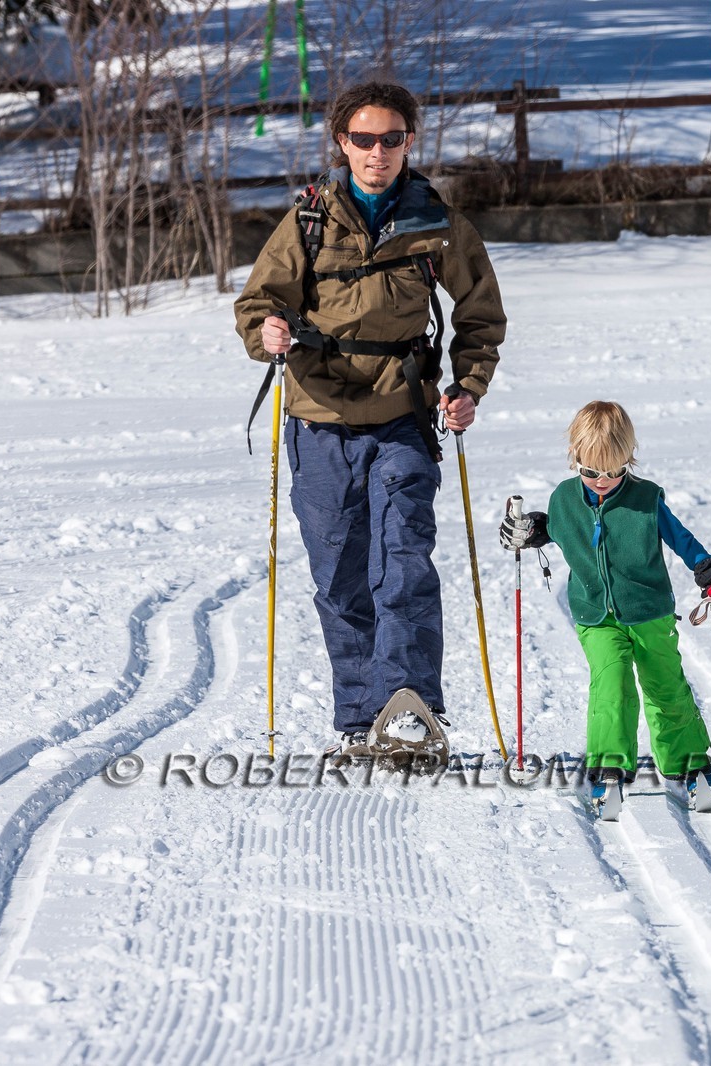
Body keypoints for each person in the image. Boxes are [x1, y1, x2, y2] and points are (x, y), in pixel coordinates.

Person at [233, 81, 507, 754]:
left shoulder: (435, 222)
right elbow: (257, 303)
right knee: (340, 575)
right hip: (318, 420)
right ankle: (360, 717)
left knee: (404, 560)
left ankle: (410, 708)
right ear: (341, 144)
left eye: (391, 139)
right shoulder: (307, 221)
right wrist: (266, 331)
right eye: (363, 139)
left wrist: (467, 385)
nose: (376, 152)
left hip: (402, 418)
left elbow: (480, 314)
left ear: (408, 142)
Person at [498, 401, 711, 810]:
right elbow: (550, 528)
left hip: (650, 612)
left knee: (665, 685)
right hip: (596, 616)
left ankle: (689, 762)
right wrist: (529, 530)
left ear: (629, 459)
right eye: (592, 472)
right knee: (611, 686)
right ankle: (609, 765)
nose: (602, 481)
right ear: (575, 458)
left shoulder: (646, 499)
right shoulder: (564, 498)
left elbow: (684, 541)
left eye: (614, 471)